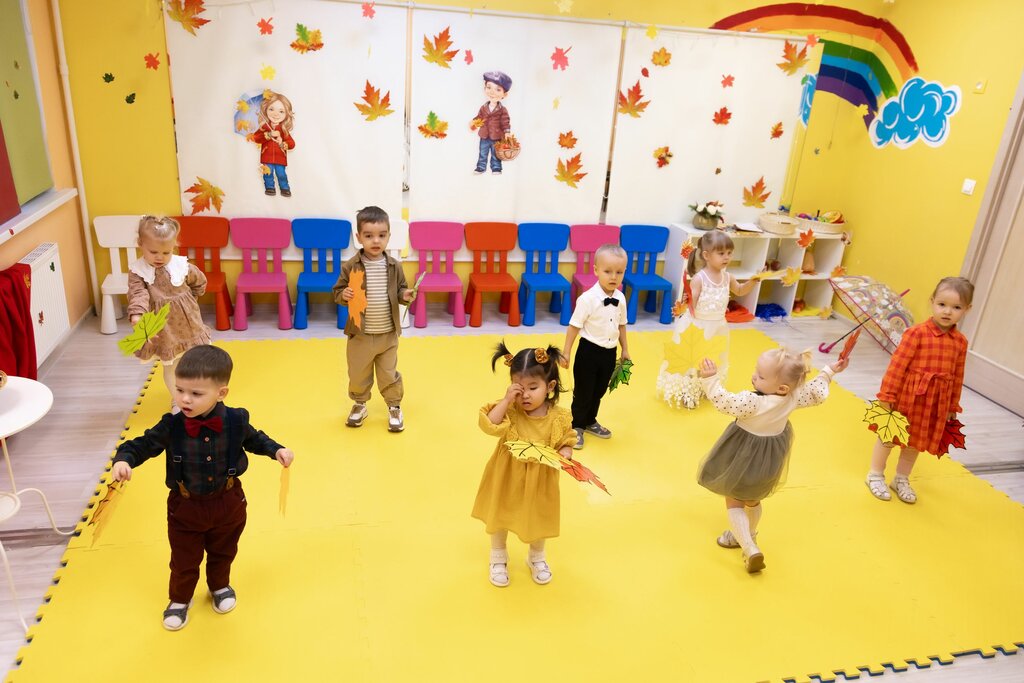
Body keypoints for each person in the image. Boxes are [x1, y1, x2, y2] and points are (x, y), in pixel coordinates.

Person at [111, 345, 294, 630]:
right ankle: (179, 599)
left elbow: (255, 439)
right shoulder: (172, 425)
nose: (184, 399)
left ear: (221, 393)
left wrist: (277, 450)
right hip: (186, 507)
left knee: (224, 551)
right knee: (184, 559)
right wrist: (124, 460)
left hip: (229, 502)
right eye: (179, 390)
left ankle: (219, 586)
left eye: (196, 394)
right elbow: (142, 445)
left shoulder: (235, 420)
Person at [697, 347, 847, 573]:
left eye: (761, 376)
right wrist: (829, 371)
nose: (754, 377)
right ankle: (751, 534)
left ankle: (748, 546)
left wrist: (710, 379)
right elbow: (816, 392)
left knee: (734, 500)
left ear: (782, 387)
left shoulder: (753, 402)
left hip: (741, 455)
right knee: (753, 499)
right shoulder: (794, 396)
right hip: (769, 458)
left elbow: (724, 402)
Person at [472, 343, 577, 587]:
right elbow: (489, 424)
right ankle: (498, 557)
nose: (526, 395)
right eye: (519, 388)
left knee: (538, 518)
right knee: (500, 514)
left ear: (550, 386)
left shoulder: (558, 417)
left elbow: (568, 439)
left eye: (533, 387)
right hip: (506, 475)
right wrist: (507, 399)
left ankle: (536, 557)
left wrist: (566, 451)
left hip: (540, 480)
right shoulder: (511, 410)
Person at [865, 276, 973, 504]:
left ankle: (901, 479)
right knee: (889, 436)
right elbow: (897, 366)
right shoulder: (916, 333)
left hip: (934, 403)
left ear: (967, 309)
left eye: (956, 307)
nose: (947, 311)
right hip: (906, 397)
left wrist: (952, 406)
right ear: (932, 302)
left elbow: (957, 376)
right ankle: (875, 474)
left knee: (915, 443)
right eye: (942, 304)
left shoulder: (960, 342)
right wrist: (887, 395)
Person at [333, 206, 414, 432]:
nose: (376, 241)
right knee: (358, 373)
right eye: (369, 236)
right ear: (359, 237)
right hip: (360, 334)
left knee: (389, 374)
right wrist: (344, 295)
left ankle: (394, 406)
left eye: (381, 235)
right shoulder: (350, 266)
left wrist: (405, 295)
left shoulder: (394, 265)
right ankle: (360, 404)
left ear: (389, 236)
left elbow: (401, 289)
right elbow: (337, 292)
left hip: (388, 335)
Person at [657, 230, 755, 407]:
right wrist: (686, 302)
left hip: (718, 326)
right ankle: (688, 392)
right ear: (706, 255)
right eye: (721, 253)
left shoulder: (728, 277)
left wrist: (754, 281)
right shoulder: (699, 279)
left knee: (712, 358)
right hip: (698, 326)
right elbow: (692, 303)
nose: (726, 257)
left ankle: (707, 386)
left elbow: (740, 290)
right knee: (694, 359)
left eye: (729, 253)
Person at [127, 215, 211, 413]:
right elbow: (138, 294)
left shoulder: (182, 266)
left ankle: (199, 394)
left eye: (166, 252)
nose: (160, 257)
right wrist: (137, 314)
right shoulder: (138, 272)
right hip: (164, 329)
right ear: (140, 244)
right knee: (171, 366)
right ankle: (179, 401)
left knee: (195, 361)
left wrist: (192, 299)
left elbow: (199, 281)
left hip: (189, 324)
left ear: (174, 246)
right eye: (153, 252)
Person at [560, 244, 630, 449]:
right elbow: (574, 326)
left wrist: (625, 349)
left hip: (609, 352)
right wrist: (566, 352)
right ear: (596, 270)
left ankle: (590, 420)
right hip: (588, 352)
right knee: (583, 391)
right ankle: (577, 425)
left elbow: (622, 325)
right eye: (608, 271)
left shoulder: (621, 298)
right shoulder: (587, 299)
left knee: (599, 390)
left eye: (619, 272)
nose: (613, 277)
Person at [252, 90, 296, 196]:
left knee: (281, 174)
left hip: (280, 157)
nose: (276, 114)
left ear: (286, 114)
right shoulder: (264, 127)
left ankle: (284, 188)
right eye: (271, 109)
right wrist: (268, 134)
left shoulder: (283, 129)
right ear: (265, 110)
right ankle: (270, 187)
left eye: (281, 111)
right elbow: (256, 138)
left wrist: (283, 143)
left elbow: (292, 143)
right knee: (268, 173)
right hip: (266, 157)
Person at [471, 71, 512, 175]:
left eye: (498, 89)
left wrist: (507, 132)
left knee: (496, 153)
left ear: (504, 94)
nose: (492, 92)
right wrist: (474, 122)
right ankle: (481, 167)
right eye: (489, 87)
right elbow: (479, 117)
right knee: (482, 152)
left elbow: (505, 122)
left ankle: (496, 168)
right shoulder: (483, 107)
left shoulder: (502, 110)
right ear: (484, 88)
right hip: (484, 135)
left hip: (497, 136)